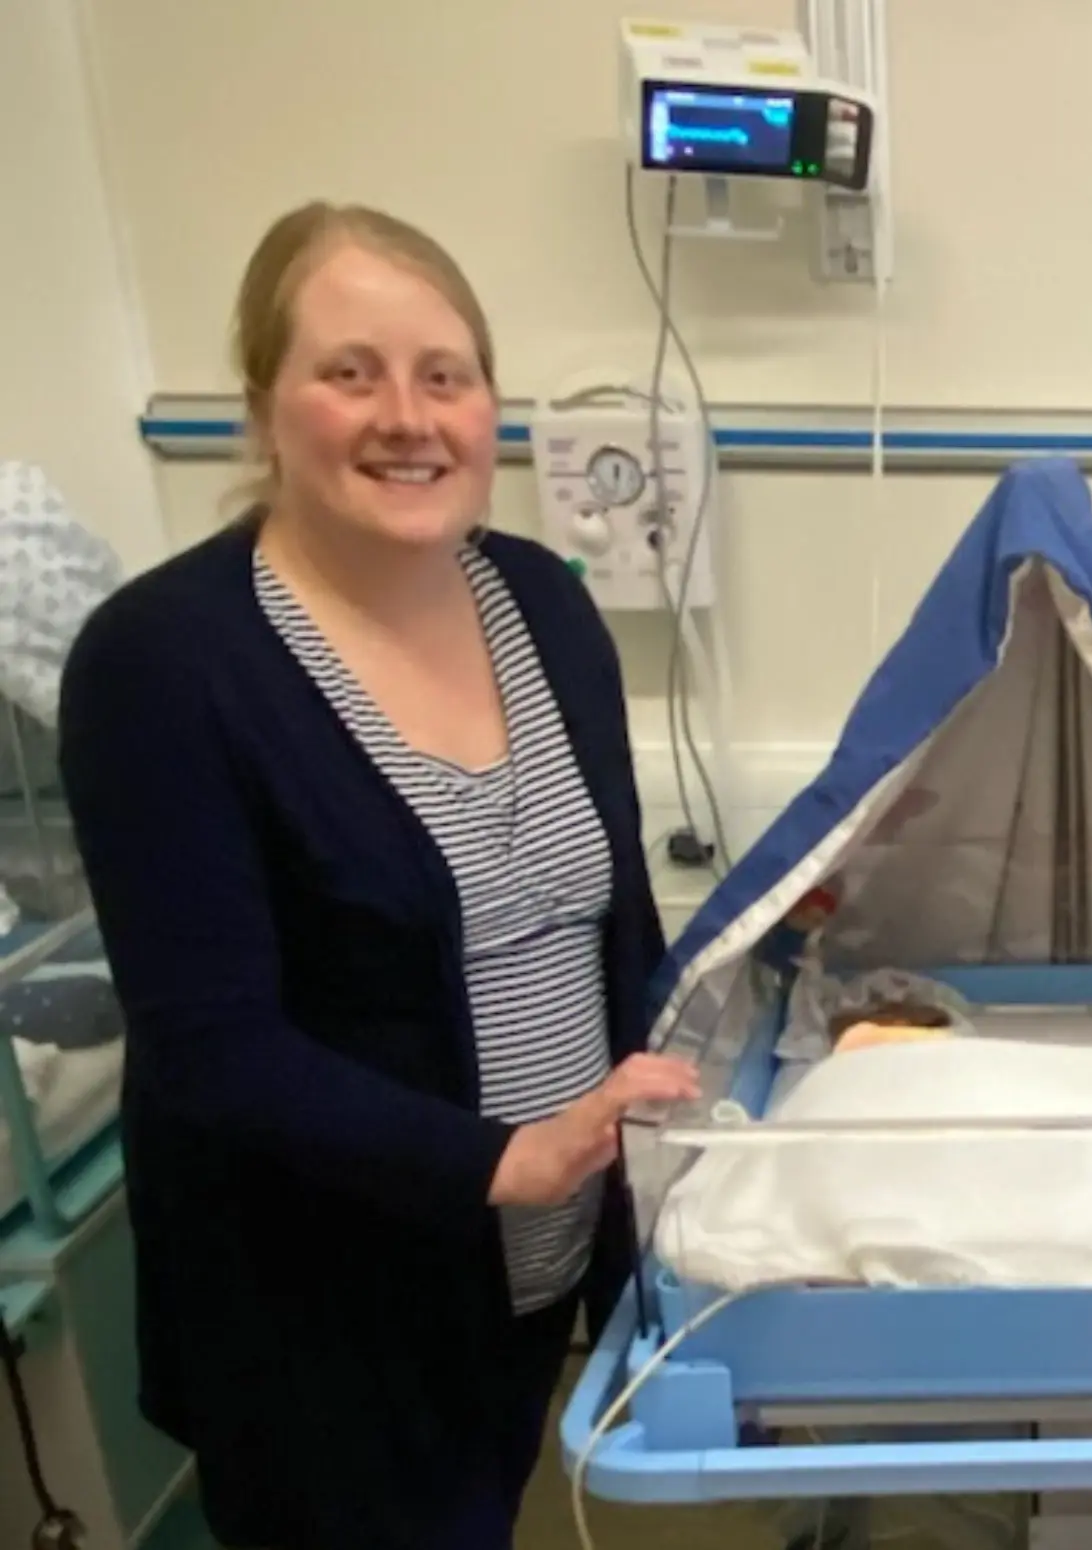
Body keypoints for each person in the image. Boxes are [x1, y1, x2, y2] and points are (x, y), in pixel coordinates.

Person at [56, 202, 700, 1550]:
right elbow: (214, 1050)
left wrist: (660, 1133)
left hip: (530, 1267)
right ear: (262, 406)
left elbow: (611, 916)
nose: (408, 417)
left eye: (443, 375)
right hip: (319, 1313)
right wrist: (501, 1156)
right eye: (351, 373)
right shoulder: (165, 665)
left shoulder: (542, 603)